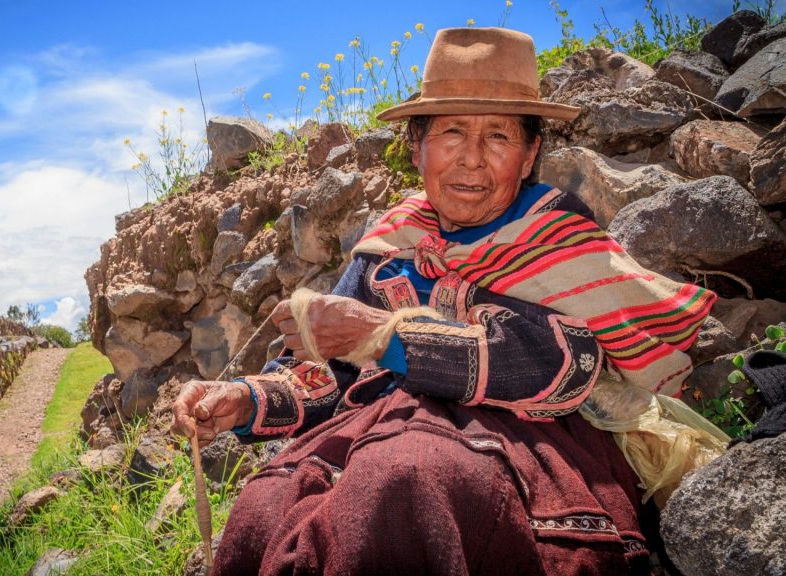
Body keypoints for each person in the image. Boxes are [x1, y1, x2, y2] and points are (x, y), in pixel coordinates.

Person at [173, 27, 715, 575]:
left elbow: (560, 362)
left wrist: (382, 336)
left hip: (524, 439)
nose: (472, 160)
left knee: (407, 479)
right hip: (368, 430)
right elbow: (326, 372)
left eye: (500, 137)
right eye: (452, 132)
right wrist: (243, 398)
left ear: (529, 156)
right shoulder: (389, 245)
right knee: (264, 507)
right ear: (417, 147)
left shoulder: (558, 244)